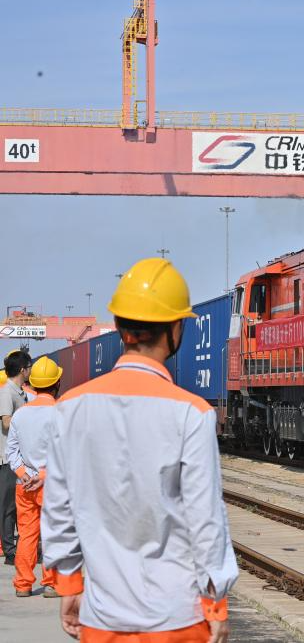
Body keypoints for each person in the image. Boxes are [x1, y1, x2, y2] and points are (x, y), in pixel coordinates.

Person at [42, 259, 237, 641]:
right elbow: (205, 520)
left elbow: (58, 508)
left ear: (118, 326)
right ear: (176, 329)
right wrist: (215, 604)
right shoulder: (192, 413)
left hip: (101, 619)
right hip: (177, 619)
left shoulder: (70, 408)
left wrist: (69, 585)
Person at [5, 356, 63, 597]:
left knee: (27, 535)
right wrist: (43, 474)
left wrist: (25, 473)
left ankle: (23, 584)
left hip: (24, 484)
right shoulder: (61, 413)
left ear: (34, 384)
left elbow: (11, 452)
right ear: (57, 383)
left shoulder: (20, 415)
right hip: (52, 485)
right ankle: (51, 583)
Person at [0, 349, 32, 565]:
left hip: (20, 458)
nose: (30, 371)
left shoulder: (20, 392)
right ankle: (10, 551)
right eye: (29, 368)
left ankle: (21, 548)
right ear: (22, 370)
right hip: (8, 459)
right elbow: (6, 422)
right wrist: (27, 419)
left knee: (19, 505)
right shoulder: (7, 392)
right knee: (8, 507)